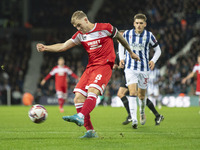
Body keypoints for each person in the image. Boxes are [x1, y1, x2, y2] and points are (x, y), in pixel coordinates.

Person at [36, 10, 140, 138]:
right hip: (90, 68)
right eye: (76, 27)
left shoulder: (106, 28)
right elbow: (63, 46)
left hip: (104, 65)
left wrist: (130, 52)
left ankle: (80, 116)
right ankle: (90, 131)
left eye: (79, 25)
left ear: (86, 20)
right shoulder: (80, 35)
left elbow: (119, 37)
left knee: (92, 91)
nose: (79, 28)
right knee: (78, 97)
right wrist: (45, 47)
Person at [118, 13, 163, 129]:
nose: (138, 25)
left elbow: (158, 50)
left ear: (145, 24)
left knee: (141, 96)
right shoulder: (127, 34)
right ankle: (134, 119)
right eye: (137, 23)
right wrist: (122, 58)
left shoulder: (149, 35)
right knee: (132, 93)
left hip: (144, 69)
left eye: (141, 23)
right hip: (130, 68)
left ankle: (142, 111)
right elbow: (121, 45)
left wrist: (153, 60)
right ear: (134, 23)